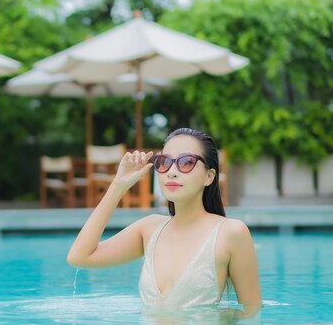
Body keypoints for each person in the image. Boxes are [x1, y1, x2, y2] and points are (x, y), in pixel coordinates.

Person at [67, 128, 261, 314]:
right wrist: (118, 186)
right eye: (165, 162)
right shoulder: (149, 229)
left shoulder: (231, 233)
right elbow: (79, 257)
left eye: (186, 162)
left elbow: (250, 312)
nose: (172, 171)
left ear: (209, 177)